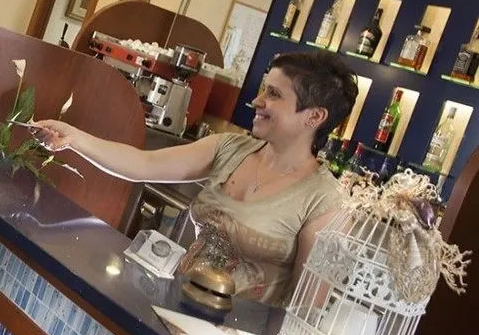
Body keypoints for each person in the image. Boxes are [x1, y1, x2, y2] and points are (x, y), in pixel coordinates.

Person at [34, 51, 358, 306]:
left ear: (314, 117)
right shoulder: (230, 148)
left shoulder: (324, 200)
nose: (257, 100)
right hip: (176, 305)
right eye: (263, 89)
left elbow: (305, 307)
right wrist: (74, 139)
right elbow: (142, 164)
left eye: (273, 94)